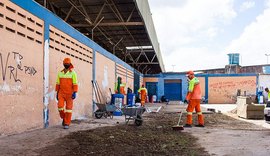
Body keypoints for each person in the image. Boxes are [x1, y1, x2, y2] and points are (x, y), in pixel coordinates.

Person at [55, 58, 78, 129]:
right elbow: (57, 83)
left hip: (69, 94)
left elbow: (75, 83)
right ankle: (64, 118)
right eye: (65, 64)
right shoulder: (60, 73)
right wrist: (57, 92)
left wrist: (74, 92)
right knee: (60, 107)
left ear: (70, 64)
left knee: (69, 109)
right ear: (63, 64)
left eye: (67, 64)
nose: (66, 65)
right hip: (61, 93)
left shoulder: (73, 73)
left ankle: (66, 123)